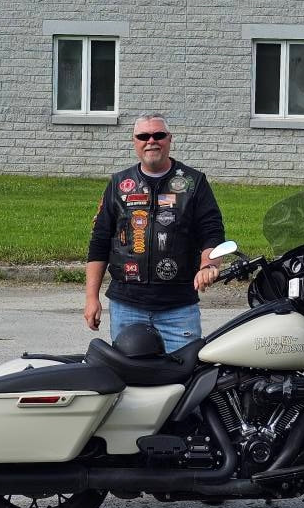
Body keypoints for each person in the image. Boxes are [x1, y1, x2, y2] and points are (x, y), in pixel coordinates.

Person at [83, 113, 225, 353]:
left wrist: (208, 266)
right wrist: (91, 298)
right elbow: (99, 243)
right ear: (134, 142)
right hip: (127, 306)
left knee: (184, 373)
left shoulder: (194, 183)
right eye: (143, 136)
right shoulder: (119, 184)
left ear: (170, 139)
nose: (151, 141)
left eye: (158, 135)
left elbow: (212, 233)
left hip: (179, 308)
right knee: (131, 372)